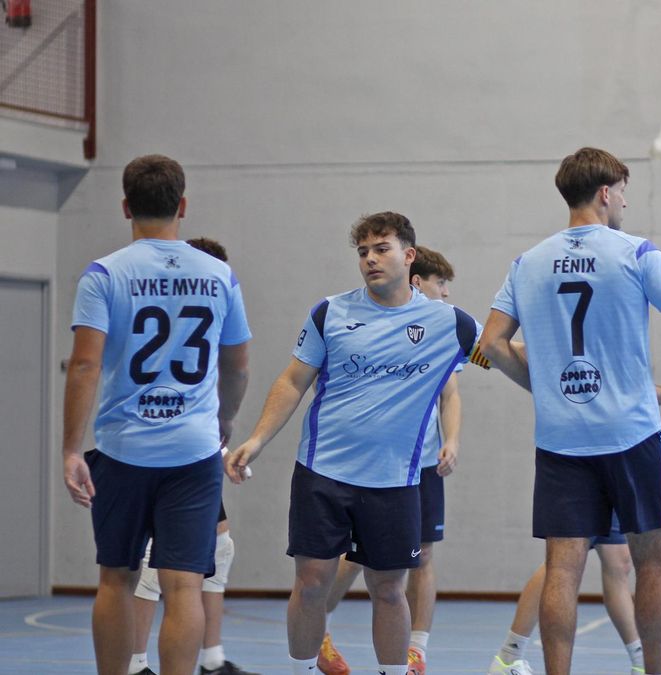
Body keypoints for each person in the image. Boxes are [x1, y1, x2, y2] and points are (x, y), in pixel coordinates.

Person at [481, 146, 661, 675]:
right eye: (625, 193)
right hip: (632, 436)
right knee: (652, 564)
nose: (627, 205)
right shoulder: (636, 253)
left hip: (562, 438)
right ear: (606, 192)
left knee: (561, 570)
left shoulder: (526, 263)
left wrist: (545, 389)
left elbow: (492, 344)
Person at [224, 212, 479, 675]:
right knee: (312, 582)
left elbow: (499, 354)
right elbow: (293, 380)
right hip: (322, 474)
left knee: (389, 589)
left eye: (381, 248)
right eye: (363, 252)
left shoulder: (449, 324)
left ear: (409, 255)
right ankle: (303, 668)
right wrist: (258, 438)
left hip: (395, 480)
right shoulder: (330, 312)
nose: (370, 259)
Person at [63, 155, 252, 675]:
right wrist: (224, 423)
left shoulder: (104, 274)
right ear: (182, 206)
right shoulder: (219, 275)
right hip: (192, 453)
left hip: (124, 450)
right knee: (183, 584)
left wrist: (71, 448)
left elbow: (85, 363)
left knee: (116, 577)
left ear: (126, 207)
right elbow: (236, 364)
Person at [316, 245, 474, 675]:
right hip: (376, 465)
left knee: (421, 554)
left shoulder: (444, 330)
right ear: (419, 280)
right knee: (361, 556)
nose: (447, 295)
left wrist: (452, 440)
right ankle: (319, 628)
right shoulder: (376, 323)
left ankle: (416, 649)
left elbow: (451, 392)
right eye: (442, 285)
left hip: (423, 465)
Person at [488, 386, 661, 675]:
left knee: (618, 564)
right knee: (561, 565)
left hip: (613, 449)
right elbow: (622, 393)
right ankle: (508, 655)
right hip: (592, 456)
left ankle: (641, 660)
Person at [127, 239, 258, 675]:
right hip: (160, 454)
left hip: (193, 449)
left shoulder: (209, 324)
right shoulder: (176, 320)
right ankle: (135, 662)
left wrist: (222, 450)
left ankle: (212, 658)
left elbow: (207, 399)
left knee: (219, 547)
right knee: (154, 562)